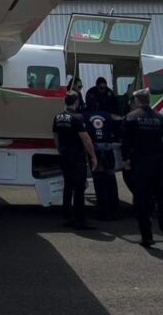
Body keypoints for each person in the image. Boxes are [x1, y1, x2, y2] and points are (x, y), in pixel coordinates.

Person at [122, 89, 163, 250]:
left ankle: (147, 238)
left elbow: (125, 143)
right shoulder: (160, 118)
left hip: (140, 166)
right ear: (148, 100)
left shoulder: (130, 118)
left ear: (136, 101)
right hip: (159, 165)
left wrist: (126, 160)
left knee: (142, 203)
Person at [52, 92, 97, 229]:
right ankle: (80, 220)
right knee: (79, 189)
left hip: (64, 155)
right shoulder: (77, 117)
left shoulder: (57, 117)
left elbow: (55, 136)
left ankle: (67, 218)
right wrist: (93, 156)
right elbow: (85, 139)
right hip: (76, 156)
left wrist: (60, 149)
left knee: (68, 187)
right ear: (76, 102)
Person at [85, 101, 122, 219]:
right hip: (108, 149)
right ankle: (115, 209)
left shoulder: (85, 116)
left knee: (99, 180)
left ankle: (102, 210)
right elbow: (116, 128)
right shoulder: (107, 115)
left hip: (95, 150)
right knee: (111, 179)